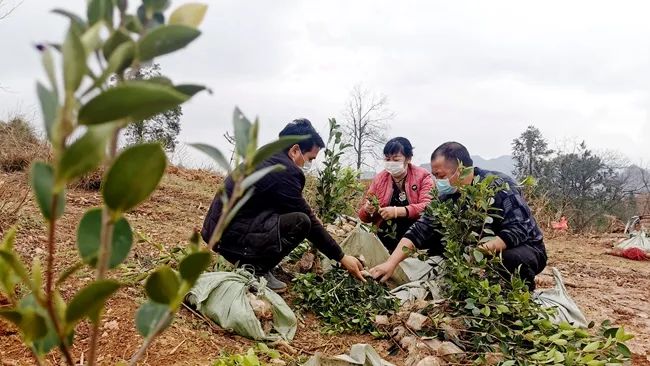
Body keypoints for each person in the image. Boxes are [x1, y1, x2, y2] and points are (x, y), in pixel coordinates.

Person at [202, 119, 365, 291]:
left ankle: (255, 260)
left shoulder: (268, 155)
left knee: (294, 217)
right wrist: (341, 257)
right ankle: (257, 270)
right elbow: (307, 219)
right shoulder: (284, 171)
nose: (308, 164)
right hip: (229, 238)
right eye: (310, 158)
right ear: (295, 150)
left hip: (219, 232)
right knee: (301, 222)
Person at [370, 142, 547, 290]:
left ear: (461, 170)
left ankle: (518, 293)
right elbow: (421, 228)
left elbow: (517, 230)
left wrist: (475, 255)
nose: (438, 181)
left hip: (523, 249)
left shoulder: (499, 186)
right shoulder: (448, 196)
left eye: (440, 176)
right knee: (434, 236)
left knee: (511, 259)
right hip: (473, 251)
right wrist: (391, 263)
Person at [358, 137, 433, 252]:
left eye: (396, 159)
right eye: (387, 159)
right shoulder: (380, 179)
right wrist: (368, 209)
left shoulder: (423, 177)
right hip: (386, 236)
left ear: (408, 158)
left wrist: (397, 211)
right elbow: (363, 217)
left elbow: (428, 207)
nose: (391, 163)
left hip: (416, 236)